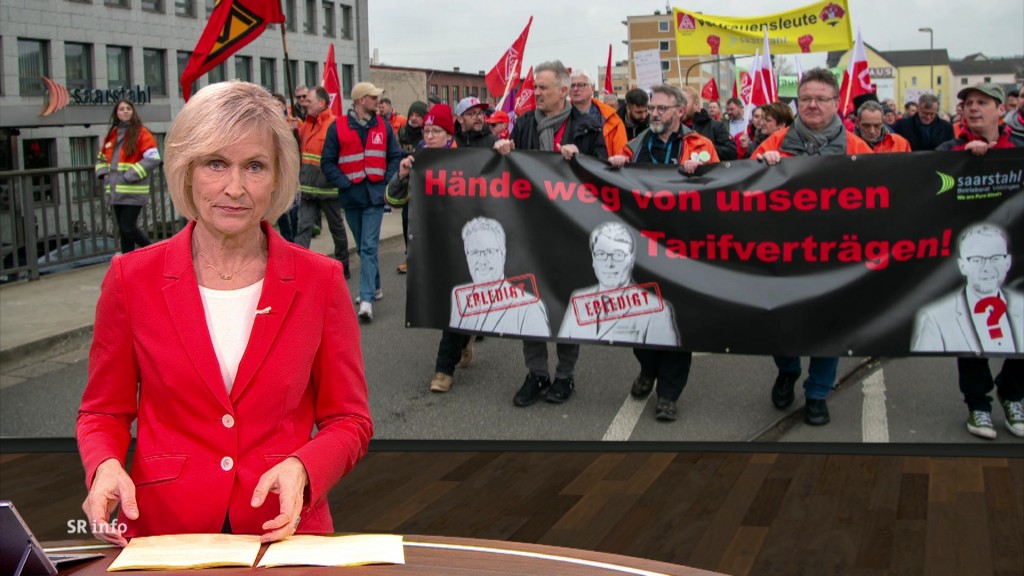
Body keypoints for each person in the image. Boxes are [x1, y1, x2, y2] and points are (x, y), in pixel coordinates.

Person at [76, 81, 373, 546]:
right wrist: (105, 464)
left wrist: (304, 467)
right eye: (216, 163)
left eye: (254, 166)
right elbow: (102, 412)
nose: (234, 188)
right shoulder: (131, 278)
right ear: (187, 170)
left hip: (284, 531)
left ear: (277, 177)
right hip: (167, 532)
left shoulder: (322, 281)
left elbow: (350, 420)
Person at [753, 67, 874, 427]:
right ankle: (787, 370)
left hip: (835, 258)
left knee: (829, 326)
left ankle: (818, 393)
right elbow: (739, 192)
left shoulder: (857, 148)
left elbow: (883, 194)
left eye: (821, 99)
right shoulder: (773, 144)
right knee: (780, 323)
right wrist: (758, 168)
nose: (812, 105)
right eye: (805, 99)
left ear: (837, 103)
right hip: (782, 256)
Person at [494, 59, 607, 407]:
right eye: (535, 87)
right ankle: (537, 373)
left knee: (564, 302)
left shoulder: (587, 128)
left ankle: (565, 375)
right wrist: (501, 152)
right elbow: (504, 173)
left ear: (563, 91)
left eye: (542, 88)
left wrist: (582, 160)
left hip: (570, 232)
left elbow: (603, 177)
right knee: (529, 301)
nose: (536, 93)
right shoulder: (524, 124)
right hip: (530, 231)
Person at [933, 83, 1024, 440]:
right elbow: (930, 193)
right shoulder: (948, 150)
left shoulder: (1017, 150)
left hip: (1015, 253)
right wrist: (964, 163)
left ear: (1000, 110)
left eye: (982, 103)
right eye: (968, 103)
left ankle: (1013, 393)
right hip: (969, 252)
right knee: (971, 328)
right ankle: (978, 404)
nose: (973, 109)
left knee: (1019, 322)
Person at [321, 82, 404, 322]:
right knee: (361, 245)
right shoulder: (337, 128)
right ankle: (376, 287)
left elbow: (394, 156)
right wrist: (344, 182)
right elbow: (327, 162)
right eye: (373, 97)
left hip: (375, 197)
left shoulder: (384, 127)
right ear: (360, 101)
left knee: (368, 247)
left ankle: (366, 300)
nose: (378, 101)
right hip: (351, 196)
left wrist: (386, 183)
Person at [291, 87, 351, 278]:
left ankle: (343, 267)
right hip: (308, 190)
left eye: (309, 101)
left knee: (336, 229)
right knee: (303, 229)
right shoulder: (306, 125)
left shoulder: (335, 125)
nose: (304, 104)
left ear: (322, 103)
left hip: (328, 190)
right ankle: (298, 270)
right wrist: (293, 133)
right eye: (304, 100)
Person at [96, 99, 161, 253]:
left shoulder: (142, 133)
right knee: (124, 233)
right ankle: (127, 264)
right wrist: (104, 175)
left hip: (133, 190)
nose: (125, 111)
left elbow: (153, 158)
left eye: (128, 109)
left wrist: (129, 176)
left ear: (133, 112)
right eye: (121, 109)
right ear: (116, 114)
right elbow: (101, 158)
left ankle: (156, 252)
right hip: (115, 191)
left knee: (128, 227)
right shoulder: (112, 135)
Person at [395, 100, 428, 274]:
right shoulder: (401, 133)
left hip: (426, 187)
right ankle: (409, 257)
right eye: (412, 115)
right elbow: (395, 155)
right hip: (408, 187)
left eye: (418, 116)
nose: (414, 119)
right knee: (407, 221)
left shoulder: (428, 135)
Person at [569, 69, 628, 156]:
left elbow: (621, 154)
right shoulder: (561, 116)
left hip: (602, 168)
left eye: (581, 85)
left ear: (592, 88)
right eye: (572, 85)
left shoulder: (612, 119)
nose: (576, 89)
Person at [270, 93, 299, 242]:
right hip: (276, 172)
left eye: (278, 105)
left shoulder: (294, 122)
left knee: (294, 208)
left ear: (283, 106)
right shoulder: (269, 124)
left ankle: (294, 236)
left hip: (291, 173)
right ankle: (288, 238)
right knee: (280, 208)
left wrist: (294, 131)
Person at [680, 86, 737, 160]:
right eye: (677, 103)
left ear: (696, 104)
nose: (680, 107)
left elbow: (731, 153)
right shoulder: (674, 128)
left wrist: (705, 148)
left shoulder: (716, 126)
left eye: (684, 102)